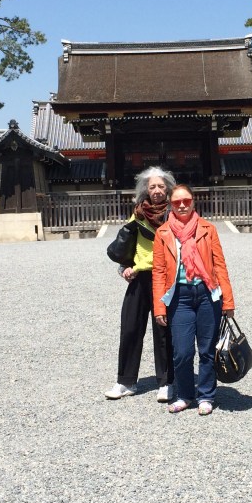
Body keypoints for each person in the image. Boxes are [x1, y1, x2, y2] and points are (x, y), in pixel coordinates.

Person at [153, 184, 235, 416]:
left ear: (193, 202)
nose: (182, 205)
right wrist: (160, 306)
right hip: (179, 296)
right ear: (170, 204)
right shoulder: (163, 233)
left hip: (208, 294)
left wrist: (228, 301)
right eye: (177, 201)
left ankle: (206, 395)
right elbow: (158, 271)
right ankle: (185, 394)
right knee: (182, 351)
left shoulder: (208, 228)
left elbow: (219, 264)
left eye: (186, 200)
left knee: (208, 349)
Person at [105, 167, 176, 402]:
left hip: (164, 277)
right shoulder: (138, 213)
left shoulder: (175, 212)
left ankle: (166, 382)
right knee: (130, 329)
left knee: (163, 331)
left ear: (168, 189)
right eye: (152, 187)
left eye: (161, 186)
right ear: (145, 189)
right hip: (139, 276)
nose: (156, 191)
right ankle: (125, 381)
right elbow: (126, 242)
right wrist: (123, 267)